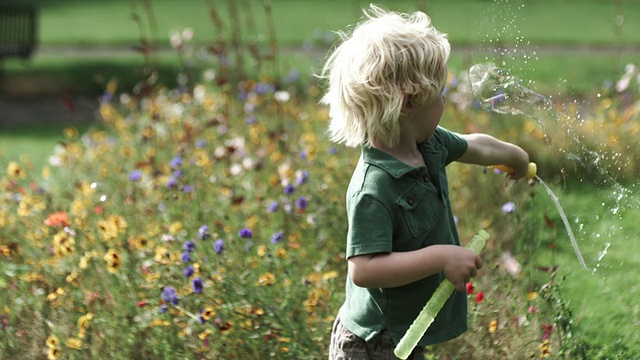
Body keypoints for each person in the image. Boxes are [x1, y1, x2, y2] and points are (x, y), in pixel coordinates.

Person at [320, 4, 531, 359]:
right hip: (373, 344)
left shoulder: (427, 144)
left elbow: (474, 145)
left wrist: (514, 157)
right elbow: (364, 269)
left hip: (405, 334)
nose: (445, 101)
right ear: (408, 103)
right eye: (439, 95)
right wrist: (439, 257)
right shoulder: (374, 187)